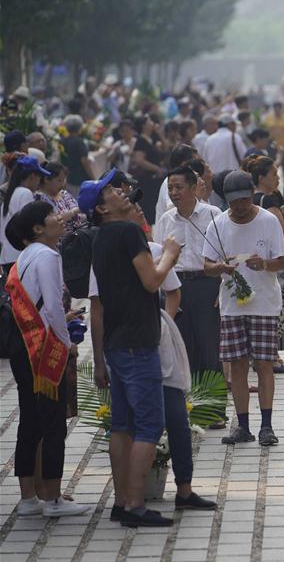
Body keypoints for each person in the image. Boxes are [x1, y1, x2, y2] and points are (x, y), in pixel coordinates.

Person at [89, 217, 217, 514]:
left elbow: (172, 290)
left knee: (175, 418)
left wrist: (163, 322)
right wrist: (98, 359)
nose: (136, 212)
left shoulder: (149, 248)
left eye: (137, 207)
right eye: (129, 205)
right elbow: (98, 307)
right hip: (130, 346)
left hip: (150, 343)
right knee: (136, 425)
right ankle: (131, 502)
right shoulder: (107, 251)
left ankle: (181, 490)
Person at [78, 170, 182, 527]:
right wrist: (169, 254)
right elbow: (153, 281)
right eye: (110, 192)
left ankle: (122, 501)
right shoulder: (127, 232)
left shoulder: (103, 237)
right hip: (138, 344)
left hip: (117, 344)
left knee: (121, 425)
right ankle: (136, 505)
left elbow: (101, 302)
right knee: (149, 425)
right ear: (102, 209)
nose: (121, 192)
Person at [7, 201, 92, 517]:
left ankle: (28, 497)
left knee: (30, 419)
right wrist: (68, 342)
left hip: (22, 345)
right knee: (53, 422)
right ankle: (54, 499)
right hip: (43, 349)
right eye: (53, 216)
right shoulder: (49, 255)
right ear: (37, 229)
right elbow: (54, 307)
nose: (60, 218)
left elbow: (40, 303)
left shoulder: (24, 257)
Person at [202, 171, 284, 447]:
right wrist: (220, 268)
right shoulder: (217, 224)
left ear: (252, 195)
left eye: (243, 201)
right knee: (237, 365)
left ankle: (267, 425)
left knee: (263, 364)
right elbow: (207, 265)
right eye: (233, 202)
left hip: (264, 303)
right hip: (231, 306)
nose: (238, 207)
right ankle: (242, 425)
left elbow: (282, 263)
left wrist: (263, 263)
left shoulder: (268, 221)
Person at [154, 165, 223, 376]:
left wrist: (222, 289)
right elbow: (159, 258)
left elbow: (225, 252)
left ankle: (214, 405)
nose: (174, 193)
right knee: (181, 346)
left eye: (179, 187)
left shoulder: (213, 214)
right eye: (171, 188)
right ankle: (188, 403)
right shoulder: (166, 220)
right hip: (177, 288)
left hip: (207, 285)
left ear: (194, 188)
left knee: (209, 346)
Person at [246, 155, 284, 372]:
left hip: (258, 259)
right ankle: (272, 357)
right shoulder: (268, 201)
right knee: (277, 309)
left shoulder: (253, 198)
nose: (278, 178)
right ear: (261, 178)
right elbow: (281, 228)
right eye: (274, 174)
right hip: (274, 260)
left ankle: (260, 354)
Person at [1, 155, 51, 275]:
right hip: (19, 255)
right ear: (32, 176)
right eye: (39, 177)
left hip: (8, 255)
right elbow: (28, 225)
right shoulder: (25, 193)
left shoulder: (11, 193)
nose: (40, 182)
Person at [35, 162, 87, 236]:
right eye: (59, 180)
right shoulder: (40, 198)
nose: (63, 184)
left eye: (64, 180)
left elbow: (79, 214)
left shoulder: (64, 194)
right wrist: (73, 212)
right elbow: (51, 222)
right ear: (46, 179)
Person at [131, 114, 165, 225]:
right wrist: (156, 169)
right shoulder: (141, 141)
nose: (152, 123)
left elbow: (166, 147)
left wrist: (160, 134)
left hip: (153, 181)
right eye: (149, 121)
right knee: (147, 209)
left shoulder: (153, 139)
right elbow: (139, 160)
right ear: (144, 126)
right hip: (146, 181)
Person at [202, 115, 247, 198]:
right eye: (234, 124)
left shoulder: (209, 139)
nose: (235, 127)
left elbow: (205, 161)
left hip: (215, 183)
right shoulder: (235, 137)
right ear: (229, 124)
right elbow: (244, 157)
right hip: (233, 180)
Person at [60, 115, 95, 194]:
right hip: (80, 177)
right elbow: (84, 161)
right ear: (80, 127)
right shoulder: (79, 142)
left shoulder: (62, 141)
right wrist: (93, 178)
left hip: (68, 177)